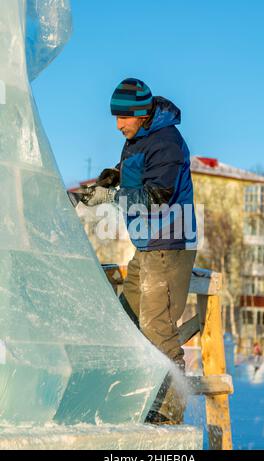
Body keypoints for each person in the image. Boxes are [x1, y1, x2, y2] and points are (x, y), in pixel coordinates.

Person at [82, 78, 197, 424]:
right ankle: (135, 397)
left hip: (169, 245)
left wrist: (111, 197)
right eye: (115, 118)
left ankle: (169, 411)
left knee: (155, 326)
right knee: (127, 320)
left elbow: (157, 197)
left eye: (123, 118)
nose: (118, 125)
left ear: (141, 113)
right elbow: (136, 173)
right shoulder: (138, 138)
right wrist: (113, 177)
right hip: (147, 245)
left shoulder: (168, 143)